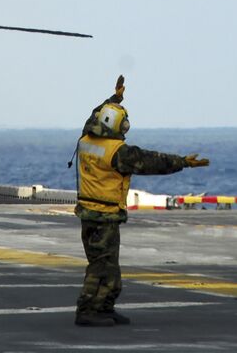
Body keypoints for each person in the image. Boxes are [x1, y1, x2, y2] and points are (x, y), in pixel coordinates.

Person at [71, 75, 209, 327]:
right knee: (101, 266)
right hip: (104, 216)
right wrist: (183, 162)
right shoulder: (117, 153)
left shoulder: (85, 140)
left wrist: (114, 99)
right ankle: (87, 310)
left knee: (107, 265)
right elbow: (151, 161)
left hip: (89, 213)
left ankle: (104, 308)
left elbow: (94, 116)